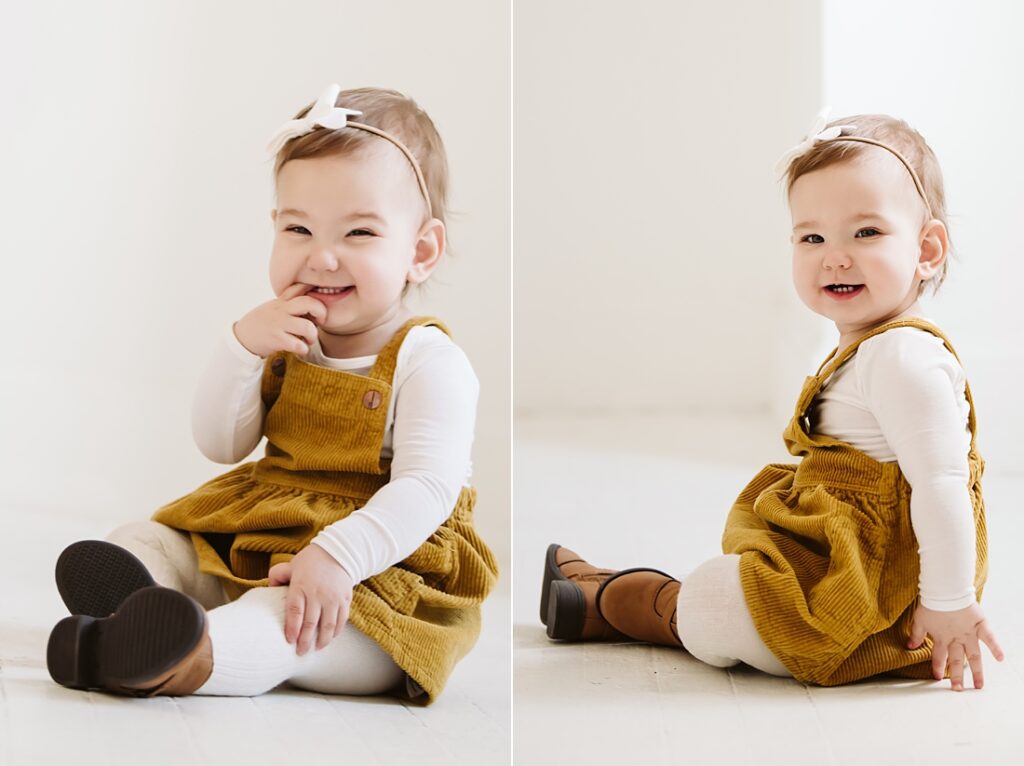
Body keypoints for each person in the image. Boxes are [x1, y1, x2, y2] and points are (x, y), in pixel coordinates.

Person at [46, 84, 498, 703]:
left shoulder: (429, 361)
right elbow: (220, 444)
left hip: (370, 583)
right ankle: (137, 608)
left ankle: (188, 656)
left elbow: (428, 489)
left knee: (279, 622)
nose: (323, 257)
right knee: (156, 540)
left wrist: (337, 557)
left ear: (419, 251)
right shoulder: (284, 336)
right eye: (299, 228)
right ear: (275, 227)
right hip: (262, 537)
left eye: (360, 233)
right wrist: (240, 349)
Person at [541, 111, 1003, 692]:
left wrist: (951, 601)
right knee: (734, 586)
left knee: (714, 598)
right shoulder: (876, 348)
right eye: (812, 237)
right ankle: (630, 594)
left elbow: (943, 486)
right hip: (839, 577)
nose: (835, 256)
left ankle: (626, 599)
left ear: (927, 249)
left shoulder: (904, 360)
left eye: (866, 233)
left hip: (867, 606)